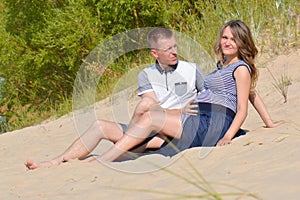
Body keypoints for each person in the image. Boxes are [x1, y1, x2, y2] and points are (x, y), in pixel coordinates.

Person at [25, 24, 283, 169]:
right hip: (188, 120)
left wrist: (228, 136)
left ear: (242, 43)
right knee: (104, 126)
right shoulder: (221, 68)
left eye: (233, 39)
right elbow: (252, 95)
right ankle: (58, 161)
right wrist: (269, 122)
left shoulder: (239, 68)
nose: (227, 42)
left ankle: (101, 162)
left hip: (211, 123)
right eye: (224, 37)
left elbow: (243, 106)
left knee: (150, 117)